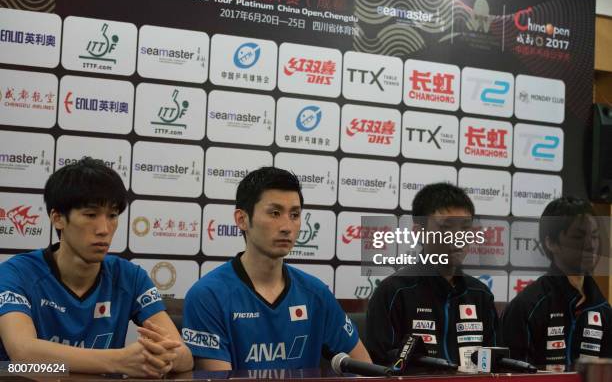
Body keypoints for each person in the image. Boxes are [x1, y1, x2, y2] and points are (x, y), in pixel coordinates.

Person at [0, 157, 193, 377]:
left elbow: (185, 357)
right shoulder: (17, 273)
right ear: (58, 218)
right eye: (91, 215)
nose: (104, 229)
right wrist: (118, 362)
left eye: (112, 216)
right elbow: (22, 356)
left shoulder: (130, 277)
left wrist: (165, 356)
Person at [182, 166, 371, 370]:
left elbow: (365, 368)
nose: (286, 226)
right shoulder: (207, 296)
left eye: (295, 215)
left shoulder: (316, 293)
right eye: (275, 213)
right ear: (242, 219)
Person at [365, 183, 498, 371]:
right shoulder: (394, 292)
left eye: (466, 228)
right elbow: (378, 366)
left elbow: (493, 366)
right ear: (419, 232)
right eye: (446, 227)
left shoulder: (481, 294)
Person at [502, 196, 611, 369]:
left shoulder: (603, 309)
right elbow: (514, 376)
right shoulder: (527, 306)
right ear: (551, 243)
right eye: (579, 236)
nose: (591, 245)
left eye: (595, 236)